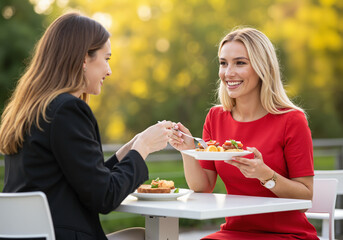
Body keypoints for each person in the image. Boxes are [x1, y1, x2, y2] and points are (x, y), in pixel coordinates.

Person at [0, 12, 174, 240]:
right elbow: (105, 197)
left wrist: (131, 148)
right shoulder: (68, 110)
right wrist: (143, 148)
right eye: (107, 59)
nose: (109, 71)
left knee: (141, 235)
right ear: (83, 58)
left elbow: (89, 178)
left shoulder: (32, 110)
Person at [169, 27, 318, 239]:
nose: (228, 72)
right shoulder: (215, 117)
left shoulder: (292, 120)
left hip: (287, 234)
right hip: (234, 232)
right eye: (223, 63)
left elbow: (306, 198)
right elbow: (203, 188)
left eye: (240, 63)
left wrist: (265, 175)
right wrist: (187, 150)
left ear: (262, 68)